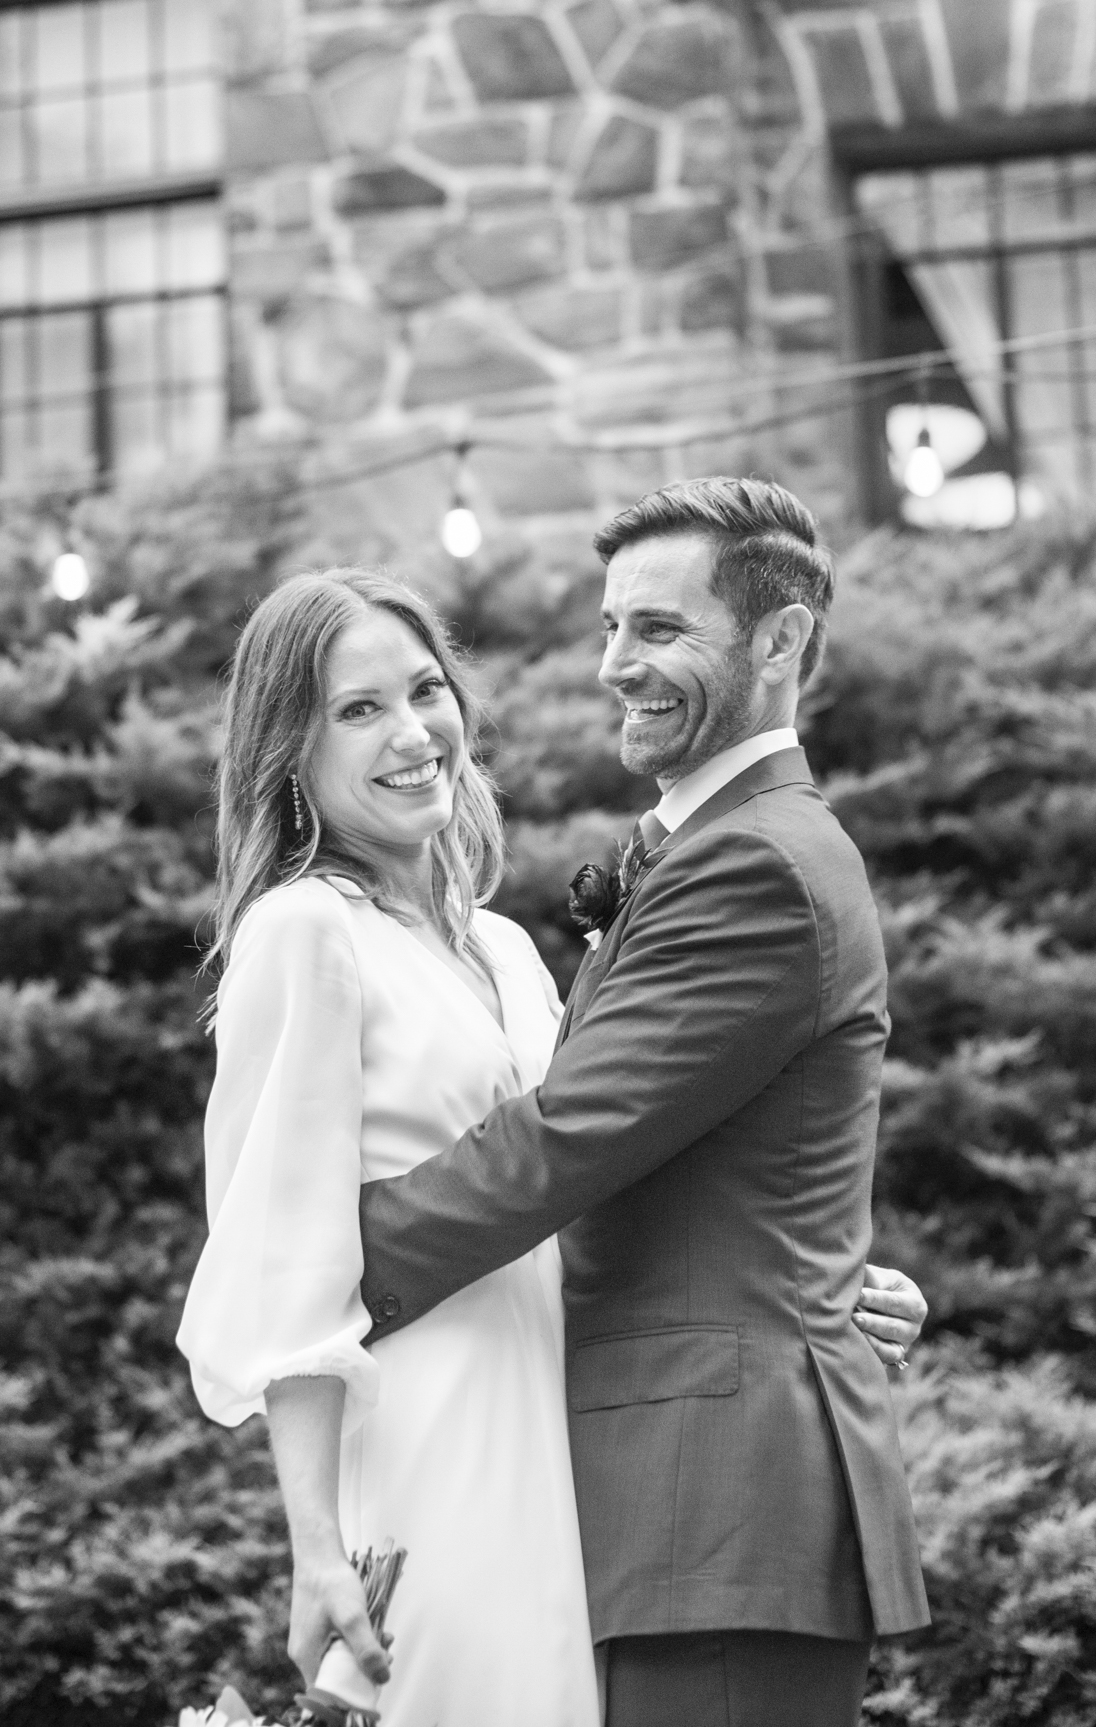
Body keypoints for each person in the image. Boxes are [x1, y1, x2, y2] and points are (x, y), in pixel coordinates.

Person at [175, 547, 925, 1727]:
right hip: (430, 1424)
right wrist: (315, 1544)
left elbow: (605, 1162)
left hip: (557, 1424)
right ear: (292, 756)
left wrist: (809, 1281)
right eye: (358, 710)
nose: (413, 732)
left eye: (425, 690)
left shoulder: (506, 947)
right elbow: (283, 1267)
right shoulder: (302, 932)